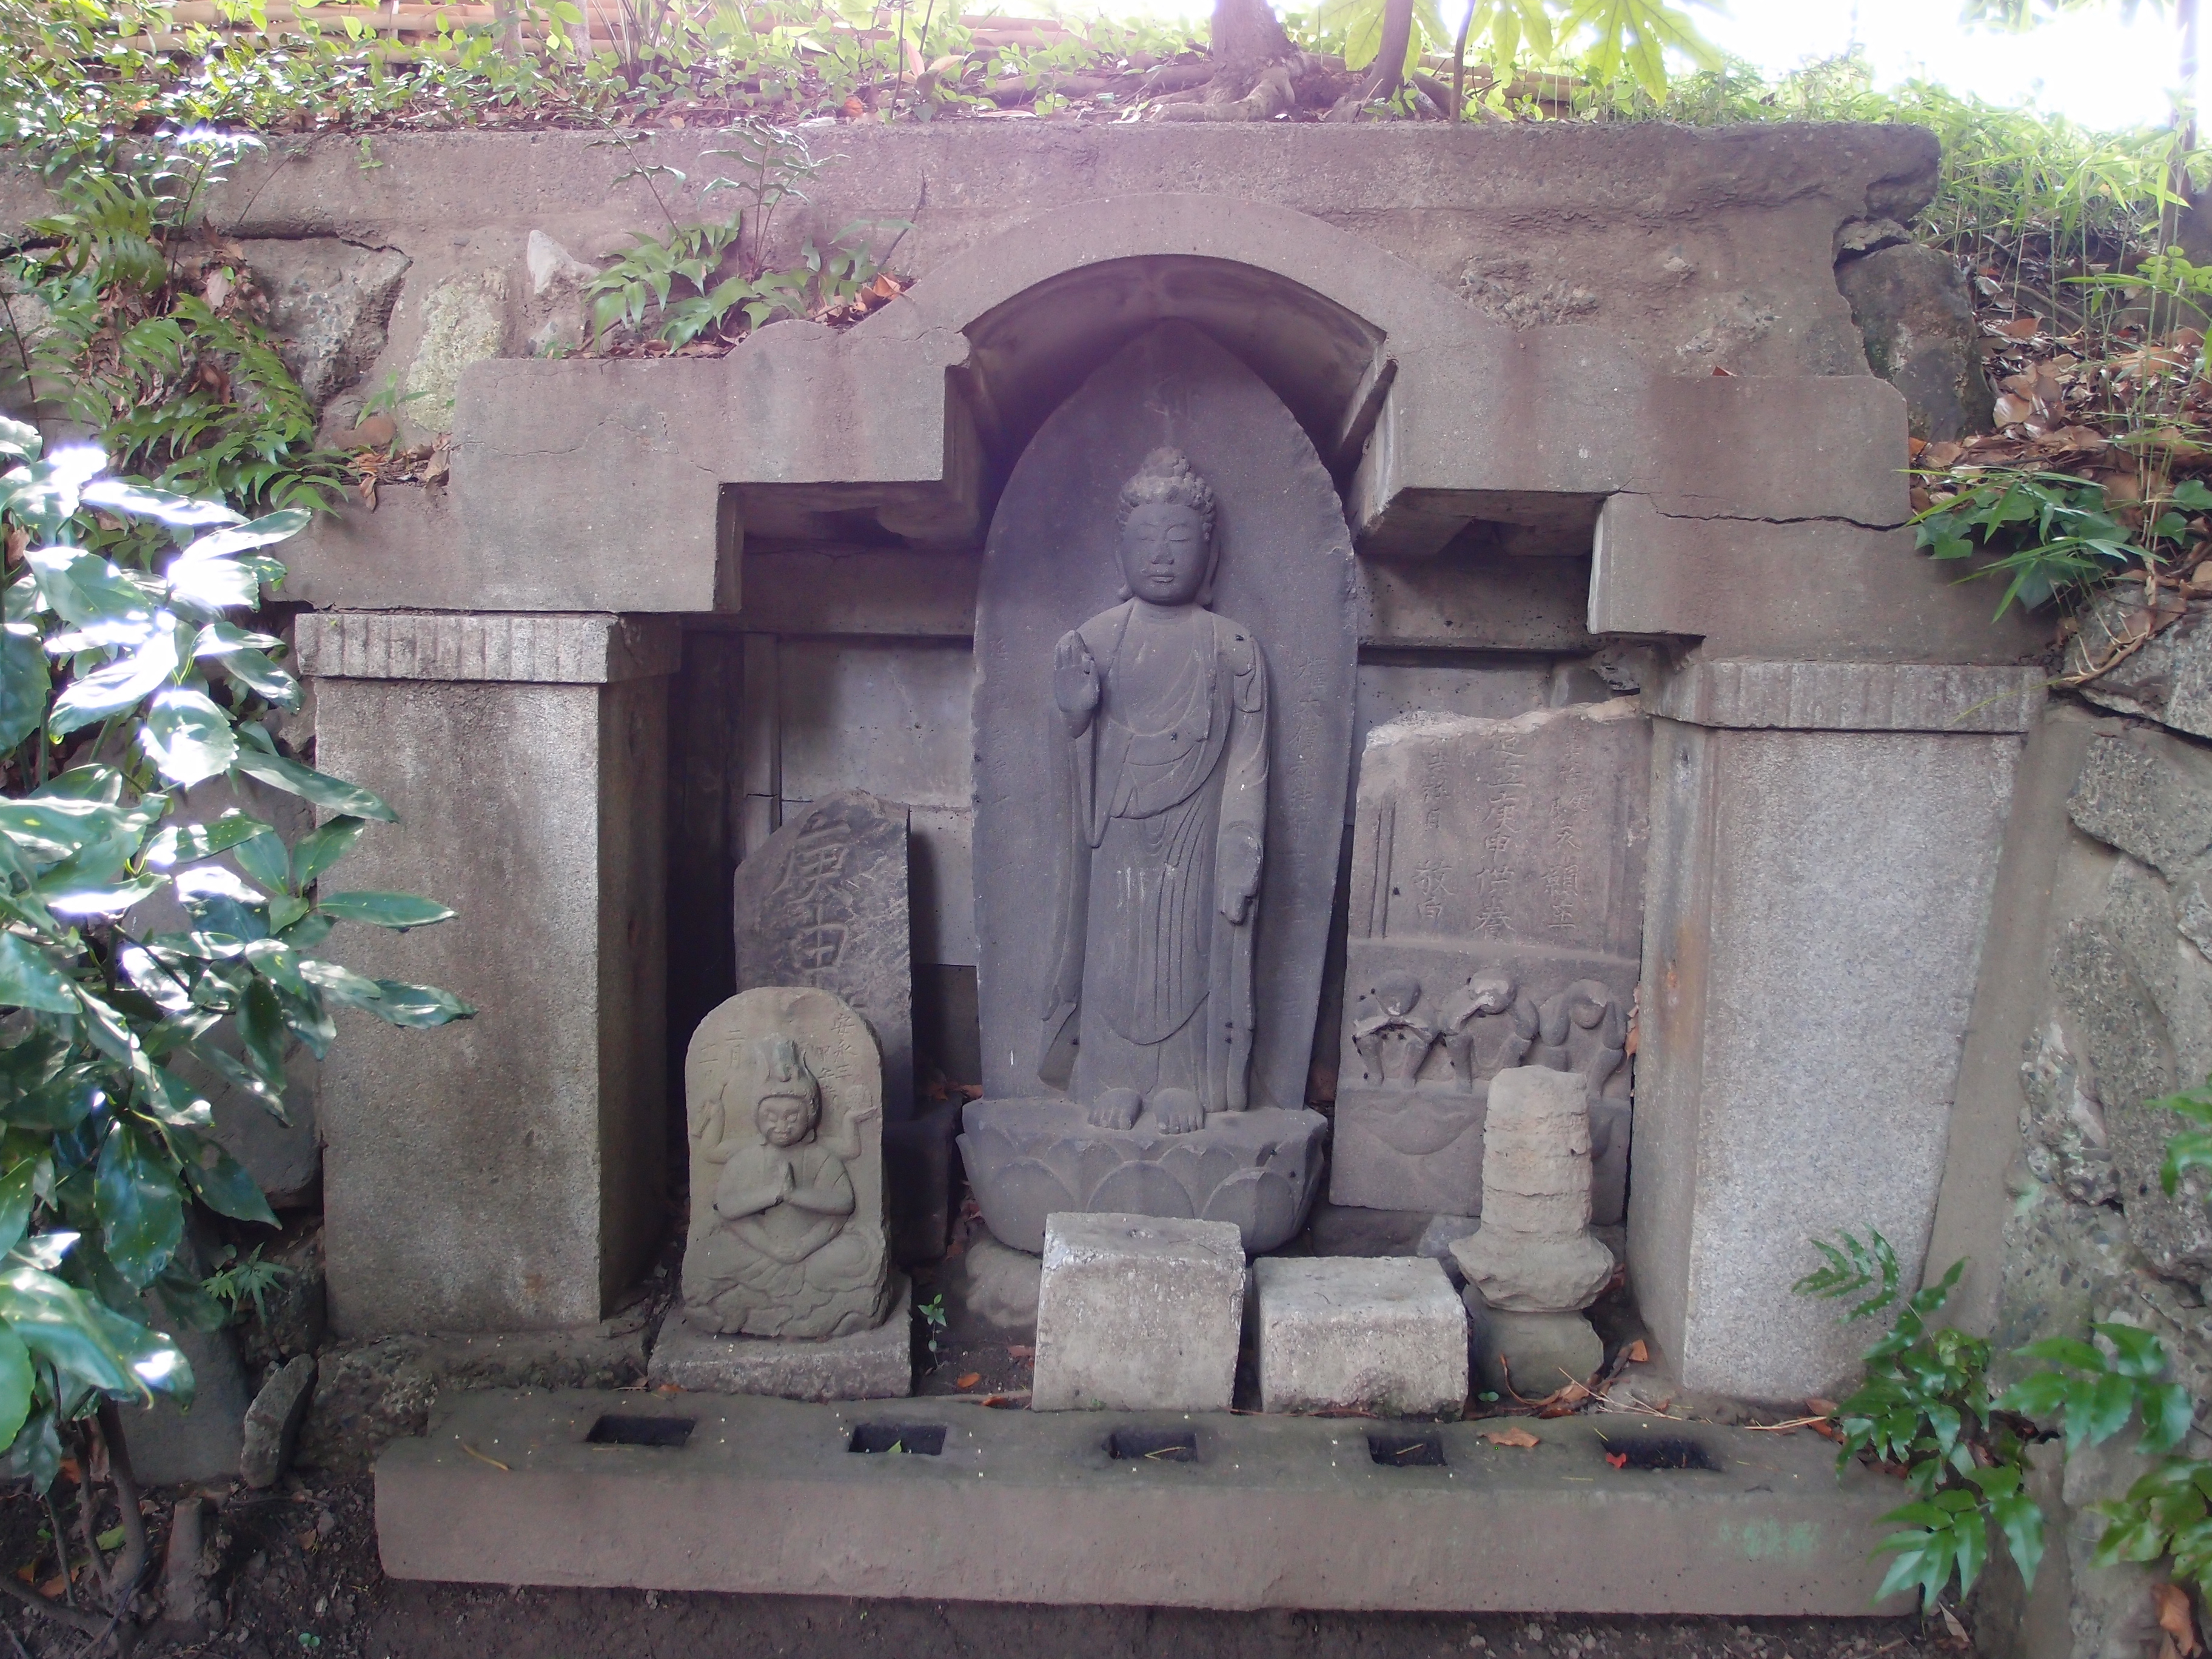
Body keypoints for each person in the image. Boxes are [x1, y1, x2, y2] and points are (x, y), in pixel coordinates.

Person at [1040, 447, 1269, 1134]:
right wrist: (1077, 717)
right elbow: (1068, 775)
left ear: (1211, 551)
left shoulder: (1234, 648)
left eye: (1179, 540)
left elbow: (1248, 765)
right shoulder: (1094, 641)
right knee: (1115, 952)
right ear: (1120, 552)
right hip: (1115, 832)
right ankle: (1110, 1074)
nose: (1161, 556)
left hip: (1198, 831)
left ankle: (1179, 1081)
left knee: (1192, 950)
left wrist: (1241, 847)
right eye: (1144, 540)